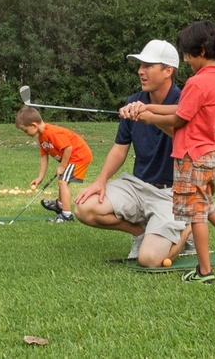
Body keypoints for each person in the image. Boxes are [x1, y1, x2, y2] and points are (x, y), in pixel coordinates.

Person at [123, 21, 215, 284]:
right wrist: (144, 108)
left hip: (192, 155)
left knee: (196, 215)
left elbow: (178, 119)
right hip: (210, 152)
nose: (185, 59)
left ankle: (204, 271)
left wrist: (148, 117)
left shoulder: (197, 83)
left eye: (187, 54)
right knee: (207, 206)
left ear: (202, 50)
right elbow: (180, 109)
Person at [74, 40, 194, 267]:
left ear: (168, 71)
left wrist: (151, 117)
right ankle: (140, 231)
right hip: (138, 187)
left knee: (149, 260)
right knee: (85, 207)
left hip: (173, 193)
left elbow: (185, 140)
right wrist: (101, 181)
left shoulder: (184, 101)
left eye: (148, 65)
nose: (141, 71)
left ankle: (189, 228)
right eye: (140, 65)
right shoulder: (133, 101)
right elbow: (120, 148)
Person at [15, 106, 93, 222]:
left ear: (34, 125)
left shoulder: (52, 133)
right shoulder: (42, 137)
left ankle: (66, 216)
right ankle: (59, 205)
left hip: (79, 156)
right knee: (62, 179)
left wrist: (62, 166)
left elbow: (68, 148)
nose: (26, 133)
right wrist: (40, 177)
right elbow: (44, 157)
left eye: (25, 130)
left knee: (63, 182)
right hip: (71, 157)